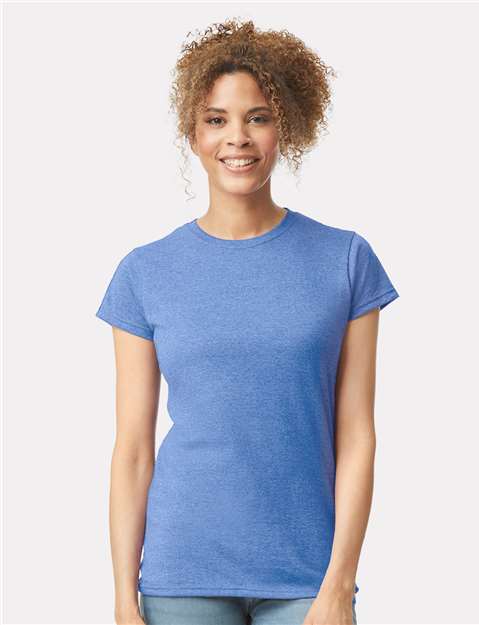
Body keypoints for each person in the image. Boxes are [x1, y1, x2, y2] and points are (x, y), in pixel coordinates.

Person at [96, 18, 400, 625]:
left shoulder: (344, 260)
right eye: (216, 119)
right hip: (182, 574)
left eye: (257, 117)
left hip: (307, 577)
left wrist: (339, 583)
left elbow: (357, 435)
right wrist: (123, 600)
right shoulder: (144, 272)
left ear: (286, 126)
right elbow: (132, 449)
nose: (237, 137)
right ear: (193, 134)